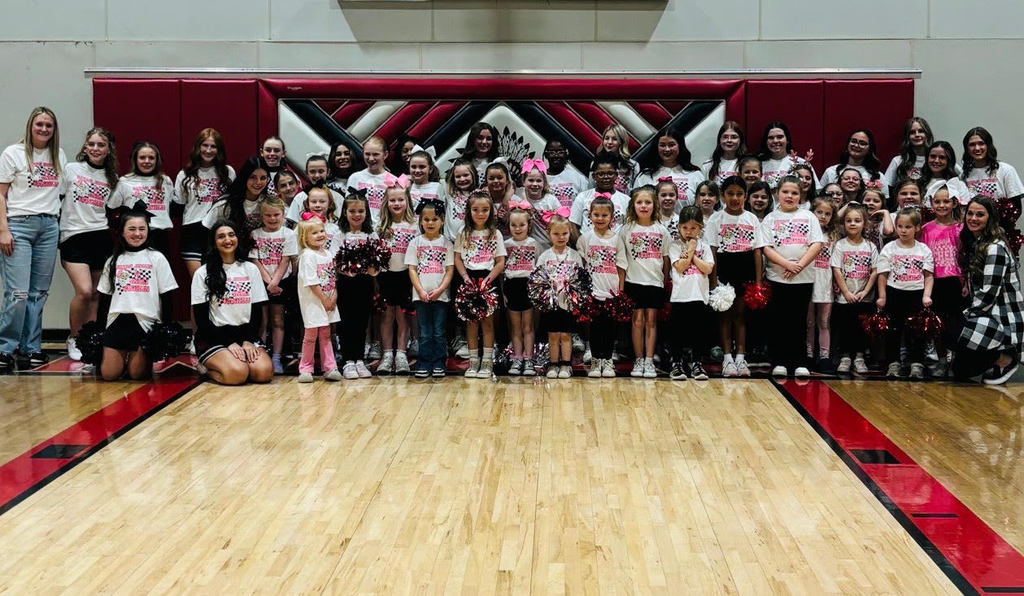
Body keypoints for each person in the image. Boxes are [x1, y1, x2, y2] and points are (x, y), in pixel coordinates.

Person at [0, 106, 67, 370]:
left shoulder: (57, 155)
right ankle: (5, 347)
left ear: (54, 129)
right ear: (31, 126)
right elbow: (1, 195)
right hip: (19, 225)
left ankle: (30, 348)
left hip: (48, 225)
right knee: (17, 292)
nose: (43, 129)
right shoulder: (12, 153)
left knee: (38, 293)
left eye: (48, 125)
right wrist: (3, 230)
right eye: (39, 124)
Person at [96, 204, 177, 381]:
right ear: (122, 232)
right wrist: (100, 330)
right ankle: (121, 357)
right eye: (131, 229)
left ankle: (133, 358)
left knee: (137, 375)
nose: (137, 234)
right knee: (109, 375)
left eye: (142, 229)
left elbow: (167, 296)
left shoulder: (157, 258)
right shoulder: (113, 260)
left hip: (145, 322)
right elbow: (105, 298)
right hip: (117, 321)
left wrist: (165, 328)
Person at [191, 219, 273, 385]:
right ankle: (206, 369)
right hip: (214, 336)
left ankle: (236, 363)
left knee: (263, 373)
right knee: (237, 374)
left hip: (245, 334)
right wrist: (228, 343)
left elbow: (257, 311)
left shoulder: (250, 269)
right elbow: (201, 319)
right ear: (214, 243)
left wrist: (248, 341)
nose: (227, 240)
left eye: (231, 235)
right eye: (221, 236)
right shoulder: (202, 273)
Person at [60, 127, 117, 361]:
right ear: (85, 147)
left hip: (100, 237)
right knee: (83, 291)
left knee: (95, 294)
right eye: (91, 144)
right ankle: (74, 337)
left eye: (100, 145)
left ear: (108, 150)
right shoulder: (72, 170)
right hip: (73, 236)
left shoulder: (112, 178)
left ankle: (89, 340)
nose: (95, 148)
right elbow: (58, 199)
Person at [954, 196, 1024, 384]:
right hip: (986, 313)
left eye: (980, 215)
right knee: (961, 370)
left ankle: (1005, 358)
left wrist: (967, 315)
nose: (973, 218)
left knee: (953, 333)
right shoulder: (974, 243)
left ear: (990, 218)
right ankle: (995, 356)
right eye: (970, 213)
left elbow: (988, 294)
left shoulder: (995, 248)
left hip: (1000, 317)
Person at [761, 175, 823, 378]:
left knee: (798, 320)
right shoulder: (770, 218)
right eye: (785, 192)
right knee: (779, 320)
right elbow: (766, 248)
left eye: (794, 193)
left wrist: (799, 265)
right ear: (777, 193)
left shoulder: (809, 216)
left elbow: (816, 244)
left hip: (803, 278)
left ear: (801, 195)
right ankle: (779, 360)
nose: (789, 196)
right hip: (778, 277)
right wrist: (786, 264)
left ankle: (799, 361)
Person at [706, 176, 765, 377]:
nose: (735, 198)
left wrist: (758, 282)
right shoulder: (715, 219)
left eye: (739, 194)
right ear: (723, 196)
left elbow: (758, 252)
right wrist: (713, 281)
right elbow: (712, 251)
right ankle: (727, 358)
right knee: (725, 316)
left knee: (740, 316)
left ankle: (741, 357)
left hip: (746, 267)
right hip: (724, 268)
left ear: (745, 196)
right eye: (730, 193)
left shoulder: (751, 219)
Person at [620, 185, 672, 378]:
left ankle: (649, 360)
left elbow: (666, 259)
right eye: (639, 202)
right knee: (637, 321)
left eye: (647, 202)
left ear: (654, 205)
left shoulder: (662, 230)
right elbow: (621, 259)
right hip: (633, 282)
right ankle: (639, 359)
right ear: (633, 205)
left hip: (654, 283)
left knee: (651, 321)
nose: (643, 206)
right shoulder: (626, 230)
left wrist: (664, 281)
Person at [876, 207, 934, 379]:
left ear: (917, 228)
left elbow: (928, 276)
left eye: (908, 227)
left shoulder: (924, 250)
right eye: (900, 226)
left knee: (917, 331)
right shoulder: (889, 248)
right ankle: (893, 363)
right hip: (895, 293)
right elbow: (882, 275)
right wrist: (882, 296)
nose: (903, 230)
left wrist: (926, 295)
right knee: (893, 330)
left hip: (916, 294)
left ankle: (916, 364)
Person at [454, 190, 506, 378]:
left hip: (488, 279)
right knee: (471, 322)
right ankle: (473, 362)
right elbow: (458, 258)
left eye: (485, 209)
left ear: (491, 211)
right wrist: (466, 278)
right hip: (468, 279)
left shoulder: (495, 233)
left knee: (488, 323)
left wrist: (487, 280)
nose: (480, 213)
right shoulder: (463, 232)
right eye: (476, 209)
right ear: (469, 211)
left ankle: (487, 362)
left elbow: (500, 261)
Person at [577, 196, 627, 378]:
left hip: (611, 293)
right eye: (596, 214)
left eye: (604, 215)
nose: (600, 218)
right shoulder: (585, 238)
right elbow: (581, 265)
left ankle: (607, 361)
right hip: (593, 292)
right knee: (595, 328)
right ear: (589, 215)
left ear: (612, 217)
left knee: (610, 328)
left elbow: (621, 268)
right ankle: (596, 360)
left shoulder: (617, 240)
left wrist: (619, 292)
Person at [405, 199, 454, 378]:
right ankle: (424, 362)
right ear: (420, 221)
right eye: (426, 219)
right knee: (424, 332)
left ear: (441, 220)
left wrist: (440, 290)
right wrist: (420, 290)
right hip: (421, 297)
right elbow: (412, 268)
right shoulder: (415, 243)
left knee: (439, 332)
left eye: (434, 219)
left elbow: (449, 270)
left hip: (440, 297)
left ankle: (439, 361)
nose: (430, 223)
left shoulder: (446, 243)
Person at [248, 197, 298, 374]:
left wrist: (275, 282)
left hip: (280, 283)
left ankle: (276, 357)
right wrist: (268, 283)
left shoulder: (288, 234)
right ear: (261, 216)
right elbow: (255, 260)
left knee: (278, 320)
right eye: (267, 215)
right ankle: (261, 356)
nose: (272, 218)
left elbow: (285, 260)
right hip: (262, 281)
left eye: (276, 214)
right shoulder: (255, 234)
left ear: (283, 215)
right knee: (262, 320)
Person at [175, 128, 234, 276]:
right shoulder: (185, 174)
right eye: (205, 145)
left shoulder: (228, 172)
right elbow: (179, 206)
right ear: (197, 147)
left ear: (219, 149)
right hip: (192, 230)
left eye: (213, 146)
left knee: (221, 279)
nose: (208, 150)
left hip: (219, 230)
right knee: (198, 281)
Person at [920, 183, 964, 377]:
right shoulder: (926, 229)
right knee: (936, 320)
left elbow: (964, 256)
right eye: (937, 201)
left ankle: (952, 357)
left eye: (946, 201)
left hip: (954, 280)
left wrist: (965, 282)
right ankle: (936, 357)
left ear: (954, 203)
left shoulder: (960, 228)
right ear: (931, 203)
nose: (942, 205)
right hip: (934, 281)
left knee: (954, 320)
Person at [376, 176, 418, 375]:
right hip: (386, 276)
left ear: (407, 201)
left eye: (400, 199)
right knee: (386, 316)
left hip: (406, 276)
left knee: (402, 316)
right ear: (386, 202)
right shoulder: (380, 227)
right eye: (392, 200)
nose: (397, 203)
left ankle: (401, 353)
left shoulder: (415, 226)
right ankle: (387, 354)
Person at [336, 192, 381, 379]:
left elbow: (378, 261)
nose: (356, 215)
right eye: (352, 211)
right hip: (345, 284)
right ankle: (348, 361)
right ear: (345, 212)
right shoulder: (339, 234)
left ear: (367, 212)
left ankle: (359, 359)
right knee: (346, 322)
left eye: (361, 211)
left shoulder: (371, 234)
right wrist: (347, 271)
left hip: (365, 283)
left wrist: (372, 271)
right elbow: (334, 260)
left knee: (362, 322)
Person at [831, 202, 878, 375]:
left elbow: (875, 271)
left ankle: (859, 357)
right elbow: (836, 269)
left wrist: (865, 292)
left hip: (864, 297)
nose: (852, 224)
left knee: (861, 328)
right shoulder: (840, 245)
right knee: (845, 327)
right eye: (849, 220)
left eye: (857, 220)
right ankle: (845, 357)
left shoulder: (871, 246)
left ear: (864, 223)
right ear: (843, 224)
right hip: (845, 297)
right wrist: (846, 292)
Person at [667, 206, 714, 381]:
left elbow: (707, 268)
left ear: (700, 228)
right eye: (685, 227)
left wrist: (692, 252)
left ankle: (697, 363)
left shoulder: (706, 247)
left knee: (698, 332)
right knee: (678, 332)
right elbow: (680, 266)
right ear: (679, 227)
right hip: (680, 296)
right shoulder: (674, 245)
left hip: (699, 296)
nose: (688, 231)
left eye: (693, 228)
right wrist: (691, 250)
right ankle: (677, 363)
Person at [294, 214, 341, 383]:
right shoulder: (307, 255)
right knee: (311, 335)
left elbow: (333, 279)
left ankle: (330, 367)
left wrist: (333, 297)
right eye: (314, 233)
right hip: (314, 302)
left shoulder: (327, 253)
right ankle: (305, 368)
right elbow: (312, 282)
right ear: (304, 237)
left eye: (321, 231)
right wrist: (324, 299)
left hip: (328, 301)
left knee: (326, 334)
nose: (320, 235)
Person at [536, 215, 583, 379]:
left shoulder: (575, 256)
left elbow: (581, 279)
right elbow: (537, 280)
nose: (561, 237)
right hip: (551, 304)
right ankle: (553, 364)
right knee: (553, 335)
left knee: (566, 334)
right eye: (556, 234)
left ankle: (566, 365)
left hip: (568, 303)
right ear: (549, 234)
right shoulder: (544, 256)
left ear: (570, 233)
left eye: (564, 234)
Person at [961, 127, 1024, 248]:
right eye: (972, 145)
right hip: (974, 238)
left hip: (1000, 235)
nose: (977, 148)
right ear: (967, 148)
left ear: (988, 145)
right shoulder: (964, 175)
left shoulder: (1005, 170)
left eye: (981, 143)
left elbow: (1017, 208)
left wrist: (997, 230)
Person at [108, 141, 175, 253]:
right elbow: (110, 209)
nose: (147, 161)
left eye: (151, 158)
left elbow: (171, 207)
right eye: (142, 158)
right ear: (135, 160)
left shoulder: (165, 181)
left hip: (160, 236)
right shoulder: (124, 181)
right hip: (135, 236)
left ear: (156, 160)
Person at [203, 156, 269, 254]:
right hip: (228, 256)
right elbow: (207, 235)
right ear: (244, 177)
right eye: (252, 177)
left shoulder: (268, 202)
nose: (258, 182)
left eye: (263, 178)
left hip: (259, 257)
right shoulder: (225, 204)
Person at [502, 205, 539, 376]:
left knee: (527, 326)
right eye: (513, 225)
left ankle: (528, 358)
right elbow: (501, 271)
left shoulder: (534, 244)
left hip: (529, 286)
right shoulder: (505, 245)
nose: (517, 229)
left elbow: (539, 269)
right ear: (508, 225)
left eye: (521, 225)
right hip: (512, 286)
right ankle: (516, 358)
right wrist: (503, 293)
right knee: (515, 327)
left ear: (528, 225)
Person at [634, 127, 703, 208]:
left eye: (671, 145)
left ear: (680, 146)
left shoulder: (695, 174)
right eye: (662, 145)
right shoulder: (644, 176)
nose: (667, 149)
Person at [569, 151, 631, 241]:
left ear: (616, 175)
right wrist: (582, 248)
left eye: (610, 173)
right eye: (601, 174)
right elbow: (573, 225)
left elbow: (629, 229)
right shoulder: (582, 197)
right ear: (594, 176)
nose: (606, 177)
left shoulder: (626, 200)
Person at [807, 197, 838, 373]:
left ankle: (824, 357)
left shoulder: (832, 237)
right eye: (819, 212)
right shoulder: (806, 233)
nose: (823, 216)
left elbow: (836, 264)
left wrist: (835, 282)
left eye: (828, 213)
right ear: (812, 212)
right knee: (809, 322)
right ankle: (809, 355)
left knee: (824, 322)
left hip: (826, 282)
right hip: (809, 281)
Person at [819, 129, 886, 196]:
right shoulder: (831, 171)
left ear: (869, 148)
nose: (856, 145)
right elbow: (819, 199)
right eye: (853, 141)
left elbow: (885, 202)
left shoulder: (878, 176)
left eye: (862, 143)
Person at [284, 154, 344, 224]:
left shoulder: (338, 197)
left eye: (321, 171)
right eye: (312, 172)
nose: (317, 175)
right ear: (306, 173)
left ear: (328, 172)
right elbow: (292, 224)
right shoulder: (299, 198)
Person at [757, 121, 817, 190]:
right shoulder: (759, 164)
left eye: (780, 137)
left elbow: (815, 190)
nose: (775, 141)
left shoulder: (801, 163)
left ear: (787, 140)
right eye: (771, 138)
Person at [518, 158, 560, 251]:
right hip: (527, 248)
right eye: (531, 180)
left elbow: (561, 224)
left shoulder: (551, 200)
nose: (535, 184)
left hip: (550, 248)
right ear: (523, 181)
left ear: (544, 182)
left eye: (538, 180)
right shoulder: (519, 196)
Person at [884, 117, 933, 193]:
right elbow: (886, 188)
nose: (917, 135)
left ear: (927, 134)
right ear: (907, 136)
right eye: (912, 132)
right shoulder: (898, 161)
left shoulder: (937, 160)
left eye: (921, 131)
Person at [543, 140, 589, 210]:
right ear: (546, 155)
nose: (556, 155)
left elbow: (586, 204)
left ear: (566, 153)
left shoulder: (578, 178)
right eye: (552, 152)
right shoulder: (540, 179)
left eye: (560, 151)